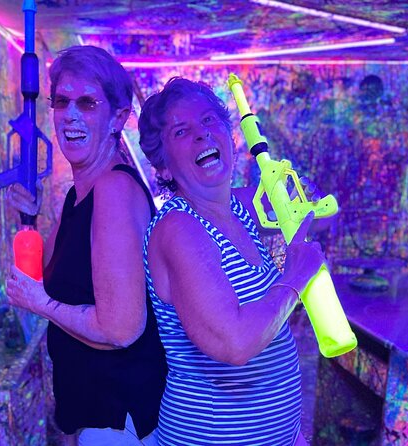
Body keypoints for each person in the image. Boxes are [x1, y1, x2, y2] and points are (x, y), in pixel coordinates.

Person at [138, 77, 325, 445]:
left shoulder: (238, 207)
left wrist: (308, 200)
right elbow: (234, 343)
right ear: (164, 168)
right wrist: (294, 279)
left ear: (230, 138)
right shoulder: (179, 228)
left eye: (209, 120)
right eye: (181, 131)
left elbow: (314, 215)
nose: (201, 134)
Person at [5, 46, 167, 446]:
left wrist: (41, 304)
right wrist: (30, 219)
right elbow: (53, 279)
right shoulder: (79, 195)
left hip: (120, 418)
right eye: (62, 102)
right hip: (99, 414)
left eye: (87, 103)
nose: (71, 115)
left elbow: (121, 329)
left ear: (118, 118)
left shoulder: (113, 190)